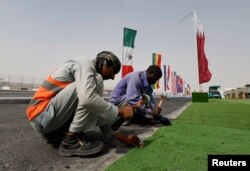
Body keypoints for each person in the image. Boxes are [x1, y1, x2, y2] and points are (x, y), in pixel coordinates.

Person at [26, 51, 140, 157]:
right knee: (91, 91)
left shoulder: (89, 76)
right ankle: (70, 141)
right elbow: (87, 99)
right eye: (113, 71)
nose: (113, 77)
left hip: (51, 120)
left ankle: (64, 134)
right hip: (41, 114)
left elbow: (97, 108)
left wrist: (125, 139)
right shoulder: (85, 64)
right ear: (105, 64)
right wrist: (119, 111)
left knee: (95, 101)